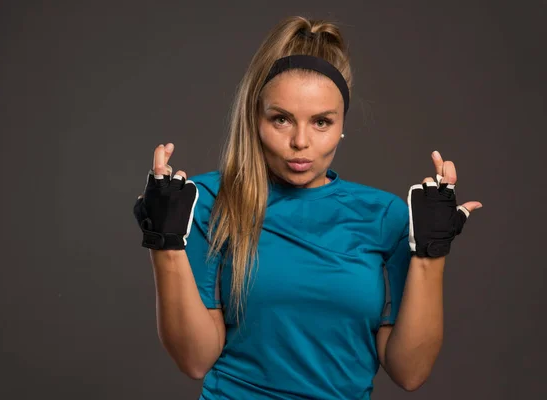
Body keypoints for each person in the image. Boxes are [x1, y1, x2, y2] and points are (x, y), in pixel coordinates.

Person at [133, 15, 482, 400]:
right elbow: (194, 360)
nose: (300, 142)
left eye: (321, 122)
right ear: (256, 118)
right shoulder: (211, 200)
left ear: (341, 124)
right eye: (281, 119)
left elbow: (409, 372)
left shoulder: (384, 215)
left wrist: (433, 253)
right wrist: (164, 243)